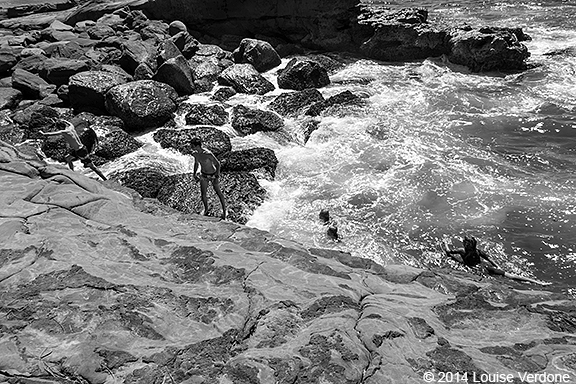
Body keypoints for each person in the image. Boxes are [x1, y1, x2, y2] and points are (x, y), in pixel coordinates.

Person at [443, 236, 551, 286]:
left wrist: (445, 243)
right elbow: (490, 259)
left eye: (465, 242)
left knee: (456, 260)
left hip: (476, 270)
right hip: (485, 267)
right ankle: (538, 282)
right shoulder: (477, 251)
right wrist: (497, 266)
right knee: (510, 275)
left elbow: (449, 252)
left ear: (466, 245)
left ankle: (536, 282)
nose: (463, 243)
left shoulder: (462, 251)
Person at [39, 119, 107, 181]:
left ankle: (104, 178)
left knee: (92, 167)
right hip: (79, 150)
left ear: (61, 127)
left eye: (58, 128)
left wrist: (43, 133)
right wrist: (64, 121)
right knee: (68, 158)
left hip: (81, 151)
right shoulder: (71, 127)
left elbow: (51, 134)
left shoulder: (64, 131)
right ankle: (73, 173)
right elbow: (69, 123)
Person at [191, 137, 227, 219]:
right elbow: (196, 163)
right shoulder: (195, 154)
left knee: (218, 192)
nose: (191, 147)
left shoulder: (208, 154)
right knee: (203, 194)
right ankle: (206, 209)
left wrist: (217, 175)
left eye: (192, 145)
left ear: (197, 146)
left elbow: (218, 164)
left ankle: (224, 212)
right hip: (203, 175)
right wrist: (194, 174)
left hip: (213, 175)